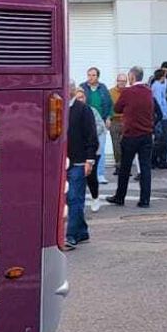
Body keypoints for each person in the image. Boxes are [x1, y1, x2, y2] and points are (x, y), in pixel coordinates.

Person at [110, 66, 156, 206]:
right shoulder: (149, 92)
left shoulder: (128, 92)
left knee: (125, 168)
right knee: (145, 168)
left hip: (131, 135)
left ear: (132, 77)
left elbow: (117, 108)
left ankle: (120, 197)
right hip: (146, 135)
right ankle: (145, 200)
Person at [65, 86, 99, 248]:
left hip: (79, 161)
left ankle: (71, 234)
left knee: (74, 197)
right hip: (65, 161)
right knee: (71, 198)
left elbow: (92, 135)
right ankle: (82, 231)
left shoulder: (83, 110)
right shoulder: (59, 107)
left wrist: (90, 160)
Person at [150, 66, 167, 169]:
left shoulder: (160, 84)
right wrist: (163, 115)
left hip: (164, 115)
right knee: (161, 140)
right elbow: (159, 103)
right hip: (161, 117)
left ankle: (160, 160)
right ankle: (154, 160)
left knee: (164, 139)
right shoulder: (156, 86)